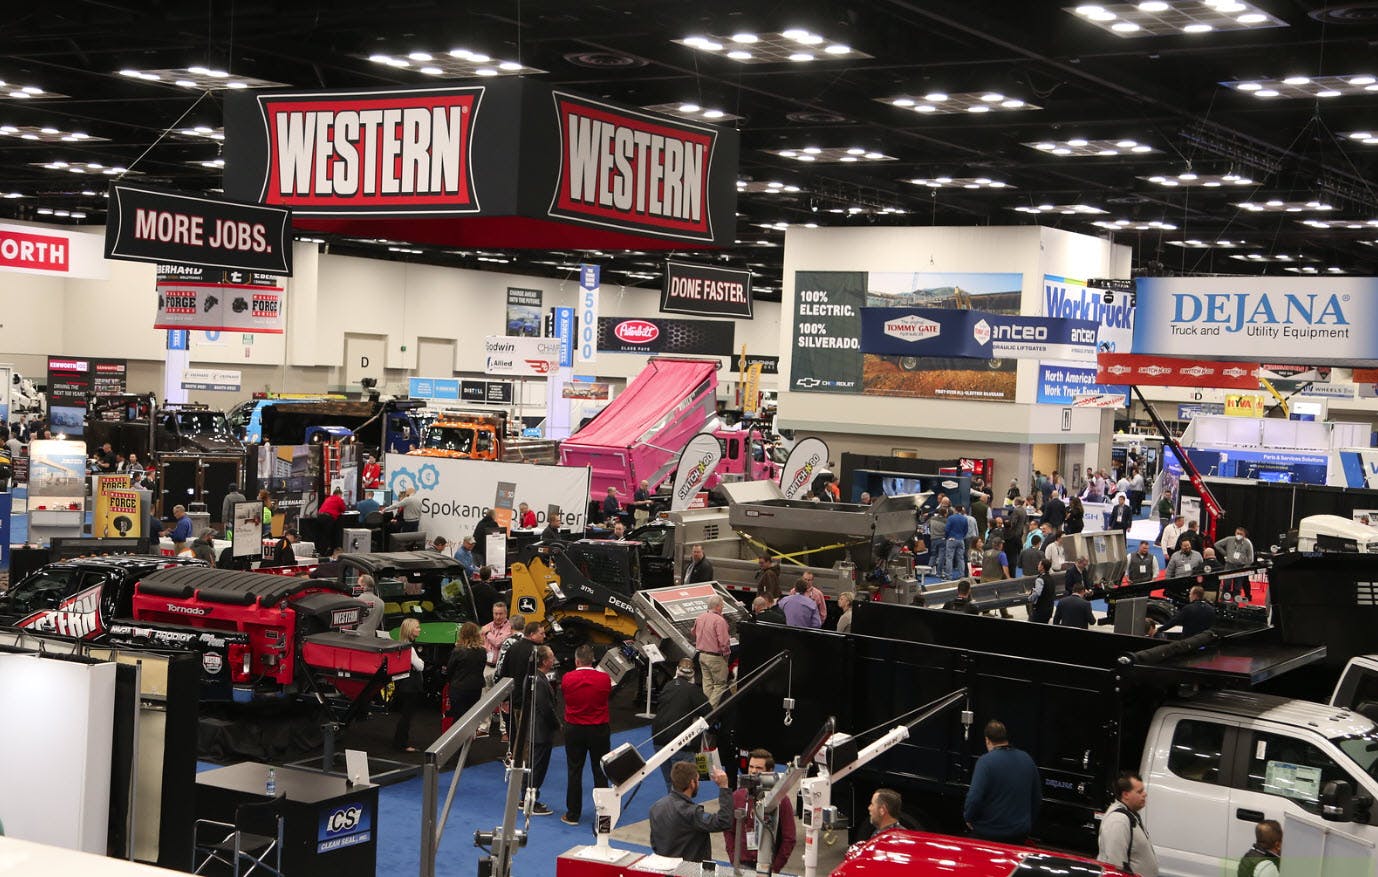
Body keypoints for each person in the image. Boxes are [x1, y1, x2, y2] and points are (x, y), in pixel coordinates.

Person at [963, 720, 1041, 844]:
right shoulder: (1027, 759)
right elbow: (1037, 798)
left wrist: (968, 817)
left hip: (988, 833)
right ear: (1005, 738)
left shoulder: (985, 762)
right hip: (1018, 834)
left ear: (987, 740)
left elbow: (974, 798)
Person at [561, 644, 612, 826]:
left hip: (574, 729)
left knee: (574, 771)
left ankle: (573, 814)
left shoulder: (567, 678)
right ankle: (603, 815)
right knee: (600, 771)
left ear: (577, 661)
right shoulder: (604, 678)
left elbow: (565, 696)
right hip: (599, 729)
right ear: (593, 660)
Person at [724, 749, 797, 874]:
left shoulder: (780, 800)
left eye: (758, 768)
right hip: (741, 864)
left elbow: (789, 838)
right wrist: (733, 858)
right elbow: (729, 830)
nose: (753, 771)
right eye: (751, 766)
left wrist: (775, 868)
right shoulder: (737, 797)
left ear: (770, 771)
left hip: (767, 865)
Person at [649, 761, 733, 860]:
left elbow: (654, 842)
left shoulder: (656, 807)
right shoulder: (692, 813)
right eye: (697, 780)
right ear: (692, 783)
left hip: (663, 865)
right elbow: (724, 821)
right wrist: (724, 786)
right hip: (689, 867)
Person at [651, 658, 709, 791]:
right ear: (693, 673)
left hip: (659, 739)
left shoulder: (668, 686)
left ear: (677, 670)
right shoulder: (693, 690)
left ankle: (673, 803)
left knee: (670, 782)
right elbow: (709, 712)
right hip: (681, 742)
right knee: (685, 786)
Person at [1098, 771, 1158, 877]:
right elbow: (1115, 864)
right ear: (1126, 795)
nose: (1145, 794)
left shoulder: (1130, 816)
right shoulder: (1118, 821)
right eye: (1139, 792)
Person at [525, 645, 560, 815]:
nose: (554, 660)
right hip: (540, 731)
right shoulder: (538, 681)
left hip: (537, 730)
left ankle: (526, 799)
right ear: (545, 661)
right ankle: (530, 802)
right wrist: (557, 724)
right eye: (551, 657)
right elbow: (545, 708)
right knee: (537, 769)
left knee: (534, 767)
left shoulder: (536, 677)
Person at [693, 595, 732, 706]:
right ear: (718, 606)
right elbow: (724, 642)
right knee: (720, 685)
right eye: (722, 605)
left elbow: (693, 632)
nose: (723, 607)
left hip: (702, 655)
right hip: (715, 657)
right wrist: (726, 655)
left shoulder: (700, 617)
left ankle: (704, 709)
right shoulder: (720, 620)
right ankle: (710, 711)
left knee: (707, 684)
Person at [446, 621, 488, 724]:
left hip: (458, 688)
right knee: (471, 718)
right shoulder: (482, 651)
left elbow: (449, 670)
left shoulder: (458, 651)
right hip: (475, 688)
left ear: (462, 634)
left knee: (458, 718)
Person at [392, 618, 424, 751]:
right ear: (410, 630)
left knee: (405, 715)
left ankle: (400, 742)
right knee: (407, 716)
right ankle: (401, 744)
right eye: (417, 627)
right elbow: (420, 666)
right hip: (410, 685)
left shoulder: (400, 645)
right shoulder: (409, 648)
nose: (419, 629)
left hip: (403, 684)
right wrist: (420, 662)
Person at [1216, 526, 1256, 601]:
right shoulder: (1229, 539)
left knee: (1237, 587)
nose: (1239, 535)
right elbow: (1217, 545)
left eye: (1241, 534)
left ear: (1244, 535)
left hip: (1240, 567)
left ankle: (1235, 602)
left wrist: (1245, 567)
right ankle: (1224, 601)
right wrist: (1225, 554)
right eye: (1237, 533)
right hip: (1229, 565)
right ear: (1235, 533)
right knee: (1226, 584)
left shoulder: (1247, 543)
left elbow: (1251, 558)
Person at [944, 504, 969, 580]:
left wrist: (947, 537)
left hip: (951, 539)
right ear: (961, 510)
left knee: (949, 558)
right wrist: (962, 536)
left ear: (955, 510)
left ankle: (949, 575)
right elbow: (966, 530)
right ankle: (962, 575)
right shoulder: (964, 518)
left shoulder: (951, 518)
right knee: (961, 558)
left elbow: (947, 529)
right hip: (960, 539)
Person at [1028, 558, 1056, 624]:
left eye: (1039, 564)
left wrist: (1029, 598)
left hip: (1039, 610)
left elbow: (1037, 593)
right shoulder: (1051, 578)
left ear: (1042, 567)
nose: (1038, 566)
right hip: (1049, 609)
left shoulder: (1040, 580)